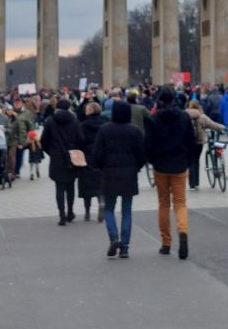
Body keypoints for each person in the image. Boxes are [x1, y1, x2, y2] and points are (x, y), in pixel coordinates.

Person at [144, 85, 195, 259]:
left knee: (163, 204)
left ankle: (166, 243)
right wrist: (188, 160)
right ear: (174, 99)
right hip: (180, 164)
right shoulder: (184, 117)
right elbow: (191, 141)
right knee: (180, 203)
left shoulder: (153, 119)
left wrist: (152, 161)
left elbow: (148, 145)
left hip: (161, 166)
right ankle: (182, 230)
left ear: (159, 100)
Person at [92, 100, 145, 257]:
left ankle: (114, 237)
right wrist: (137, 168)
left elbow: (97, 153)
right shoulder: (134, 131)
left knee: (109, 208)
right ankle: (125, 247)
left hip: (109, 173)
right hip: (129, 173)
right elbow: (141, 154)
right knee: (126, 210)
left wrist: (102, 167)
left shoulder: (104, 130)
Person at [41, 98, 85, 226]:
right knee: (70, 186)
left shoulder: (50, 121)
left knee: (59, 187)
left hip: (57, 157)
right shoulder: (75, 121)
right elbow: (81, 139)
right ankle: (70, 212)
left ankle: (61, 215)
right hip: (72, 157)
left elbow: (44, 140)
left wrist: (51, 152)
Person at [185, 100, 224, 190]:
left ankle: (192, 185)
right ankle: (197, 183)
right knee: (196, 161)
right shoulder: (201, 116)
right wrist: (222, 127)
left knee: (190, 162)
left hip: (188, 143)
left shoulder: (184, 116)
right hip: (199, 142)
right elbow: (213, 125)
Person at [78, 101, 106, 221]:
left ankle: (87, 212)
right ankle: (101, 202)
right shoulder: (105, 124)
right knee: (101, 183)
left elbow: (80, 141)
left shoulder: (83, 125)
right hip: (101, 157)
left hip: (87, 156)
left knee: (86, 185)